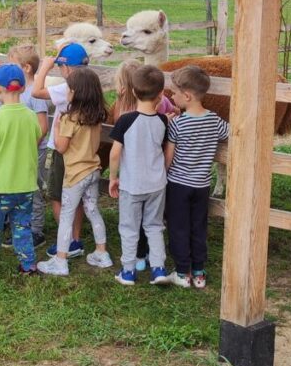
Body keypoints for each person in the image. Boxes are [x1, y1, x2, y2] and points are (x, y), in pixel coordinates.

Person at [38, 67, 112, 277]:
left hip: (75, 175)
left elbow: (61, 148)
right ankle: (101, 252)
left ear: (76, 93)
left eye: (69, 89)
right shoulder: (96, 116)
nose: (67, 93)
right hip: (93, 170)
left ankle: (60, 261)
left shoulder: (70, 118)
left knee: (66, 217)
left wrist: (57, 127)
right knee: (92, 210)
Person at [165, 64, 229, 288]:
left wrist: (163, 174)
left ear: (187, 95)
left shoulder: (178, 125)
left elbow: (169, 157)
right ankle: (199, 273)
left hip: (178, 185)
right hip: (201, 184)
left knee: (178, 226)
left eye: (174, 93)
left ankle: (182, 272)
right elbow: (230, 132)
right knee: (198, 226)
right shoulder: (214, 120)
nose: (172, 96)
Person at [0, 63, 41, 278]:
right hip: (25, 184)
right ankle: (28, 265)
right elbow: (36, 138)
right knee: (22, 225)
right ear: (22, 89)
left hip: (1, 185)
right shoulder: (31, 117)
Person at [109, 65, 171, 286]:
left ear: (134, 92)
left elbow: (115, 153)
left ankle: (128, 271)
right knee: (154, 226)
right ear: (161, 94)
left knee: (129, 227)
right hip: (156, 184)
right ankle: (159, 269)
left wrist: (113, 177)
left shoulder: (125, 121)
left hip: (131, 184)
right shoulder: (163, 121)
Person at [31, 41, 89, 258]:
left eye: (60, 66)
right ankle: (76, 237)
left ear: (66, 69)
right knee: (78, 196)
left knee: (57, 195)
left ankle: (66, 241)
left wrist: (45, 66)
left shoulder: (66, 89)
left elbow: (36, 91)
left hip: (62, 150)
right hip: (83, 152)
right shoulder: (91, 87)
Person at [9, 44, 48, 247]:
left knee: (33, 187)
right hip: (19, 150)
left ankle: (36, 229)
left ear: (26, 68)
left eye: (12, 64)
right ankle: (21, 225)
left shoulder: (35, 93)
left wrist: (30, 147)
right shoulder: (18, 92)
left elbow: (43, 125)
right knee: (19, 187)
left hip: (33, 150)